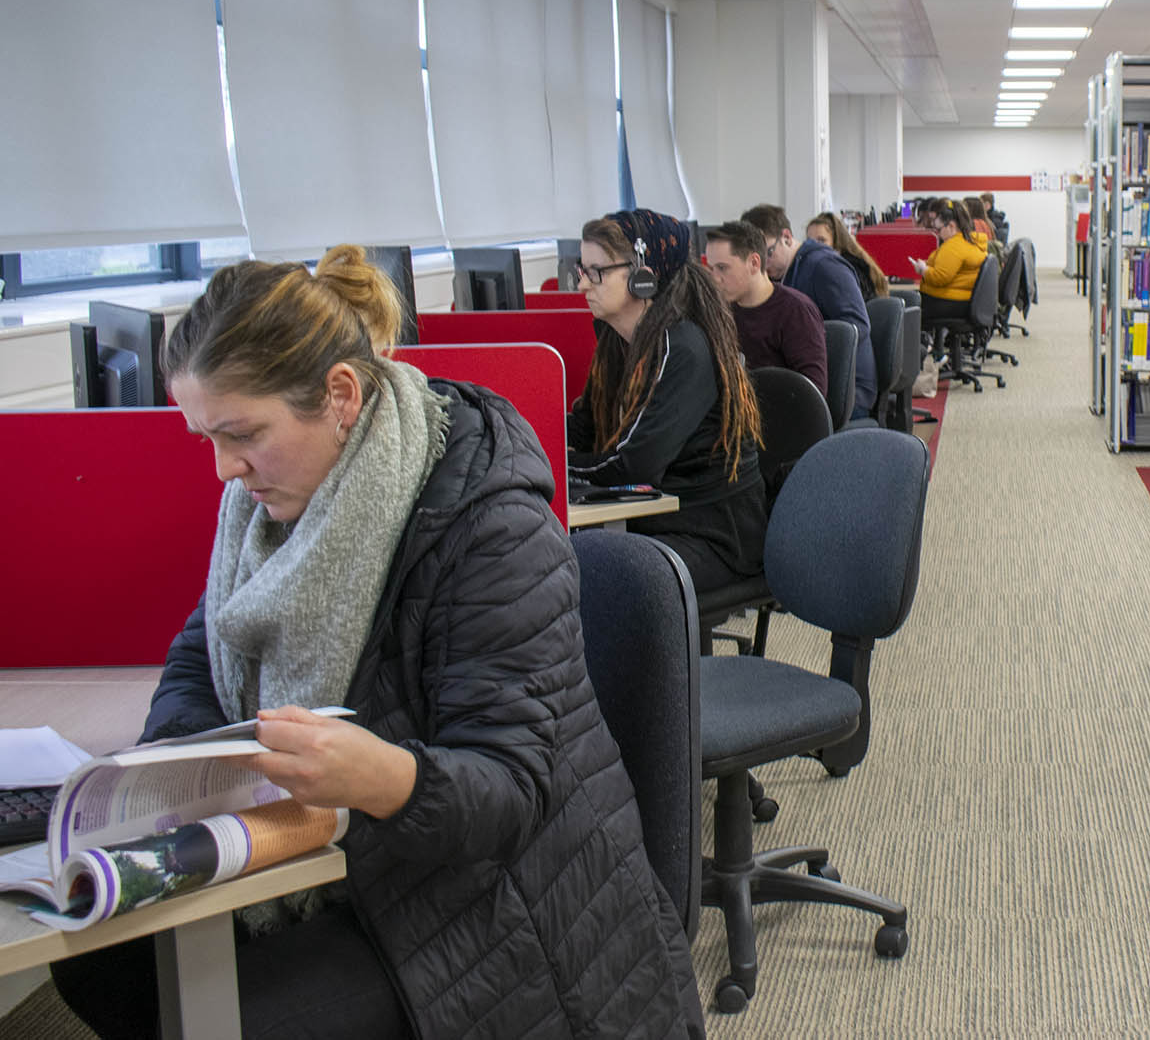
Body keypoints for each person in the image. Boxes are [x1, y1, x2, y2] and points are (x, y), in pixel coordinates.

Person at [51, 246, 703, 1040]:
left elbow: (507, 793)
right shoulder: (267, 508)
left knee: (235, 1017)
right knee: (97, 954)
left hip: (491, 895)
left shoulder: (488, 521)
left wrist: (382, 777)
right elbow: (202, 646)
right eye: (206, 438)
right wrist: (188, 756)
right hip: (333, 850)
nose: (225, 469)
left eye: (242, 433)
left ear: (340, 396)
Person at [568, 210, 765, 594]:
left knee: (586, 577)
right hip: (654, 518)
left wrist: (553, 468)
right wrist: (522, 438)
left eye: (596, 272)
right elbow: (584, 428)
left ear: (644, 274)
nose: (582, 285)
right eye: (581, 270)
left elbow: (634, 467)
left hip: (711, 533)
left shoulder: (684, 348)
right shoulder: (616, 343)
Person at [740, 203, 877, 424]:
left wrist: (807, 344)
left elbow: (857, 327)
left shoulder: (824, 267)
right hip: (807, 381)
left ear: (786, 237)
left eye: (769, 253)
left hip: (847, 390)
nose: (763, 265)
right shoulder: (786, 274)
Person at [702, 219, 829, 402]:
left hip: (781, 420)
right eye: (711, 268)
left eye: (722, 268)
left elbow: (813, 396)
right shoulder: (724, 309)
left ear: (754, 263)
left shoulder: (795, 311)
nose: (715, 278)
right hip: (738, 415)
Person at [918, 197, 988, 329]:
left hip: (952, 303)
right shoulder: (970, 241)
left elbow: (940, 277)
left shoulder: (953, 246)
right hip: (966, 300)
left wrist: (923, 269)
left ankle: (925, 343)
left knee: (910, 304)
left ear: (951, 226)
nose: (937, 234)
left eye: (938, 229)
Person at [806, 211, 890, 299]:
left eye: (821, 240)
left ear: (837, 243)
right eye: (809, 240)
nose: (814, 245)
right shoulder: (819, 267)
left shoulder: (848, 270)